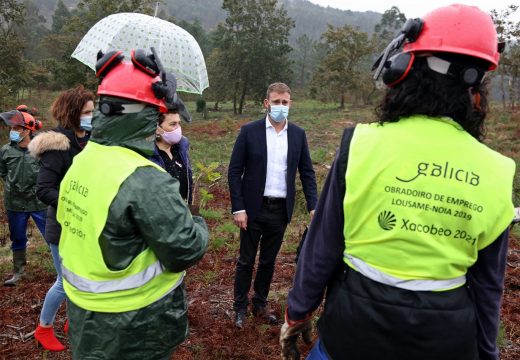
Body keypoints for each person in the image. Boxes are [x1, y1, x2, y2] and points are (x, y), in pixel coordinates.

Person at [280, 5, 516, 360]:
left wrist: (298, 311)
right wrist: (486, 352)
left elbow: (323, 245)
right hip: (445, 342)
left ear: (402, 72)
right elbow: (487, 286)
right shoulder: (497, 170)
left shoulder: (359, 144)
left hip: (351, 333)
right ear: (476, 92)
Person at [56, 49, 208, 360]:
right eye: (156, 115)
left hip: (86, 318)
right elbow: (186, 248)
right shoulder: (145, 179)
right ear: (144, 115)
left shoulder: (82, 161)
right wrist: (198, 223)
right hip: (135, 326)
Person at [228, 82, 318, 329]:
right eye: (276, 102)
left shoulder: (298, 135)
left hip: (280, 211)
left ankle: (259, 303)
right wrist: (238, 207)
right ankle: (239, 307)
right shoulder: (250, 132)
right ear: (266, 104)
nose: (280, 107)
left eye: (285, 102)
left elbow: (307, 173)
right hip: (252, 209)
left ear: (291, 104)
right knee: (246, 260)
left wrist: (314, 206)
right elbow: (235, 170)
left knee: (268, 261)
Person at [28, 85, 95, 351]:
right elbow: (44, 189)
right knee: (65, 282)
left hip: (83, 224)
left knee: (81, 277)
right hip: (63, 225)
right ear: (73, 113)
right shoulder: (59, 145)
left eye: (93, 110)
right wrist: (75, 203)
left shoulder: (88, 140)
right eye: (87, 112)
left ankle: (73, 321)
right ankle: (43, 328)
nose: (92, 115)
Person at [0, 108, 46, 286]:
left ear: (27, 130)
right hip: (15, 202)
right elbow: (3, 172)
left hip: (38, 201)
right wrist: (12, 185)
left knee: (51, 235)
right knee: (17, 237)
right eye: (12, 128)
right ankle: (19, 272)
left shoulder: (41, 150)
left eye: (17, 128)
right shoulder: (5, 151)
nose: (13, 131)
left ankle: (62, 269)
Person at [149, 109, 193, 204]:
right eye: (173, 124)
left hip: (183, 212)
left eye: (179, 123)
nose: (178, 128)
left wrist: (191, 215)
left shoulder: (181, 149)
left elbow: (188, 185)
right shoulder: (149, 156)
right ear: (157, 128)